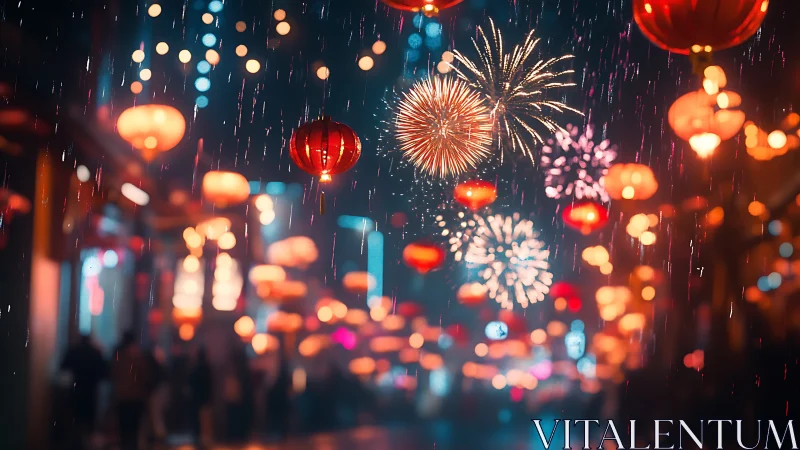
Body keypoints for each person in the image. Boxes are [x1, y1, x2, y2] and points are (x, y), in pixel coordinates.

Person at [60, 334, 108, 449]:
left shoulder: (75, 351)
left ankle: (77, 443)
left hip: (77, 389)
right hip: (91, 391)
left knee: (77, 418)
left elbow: (63, 367)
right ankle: (87, 444)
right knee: (89, 420)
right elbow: (105, 373)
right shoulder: (95, 353)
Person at [111, 331, 152, 450]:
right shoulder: (139, 356)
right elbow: (145, 376)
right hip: (136, 397)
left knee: (124, 428)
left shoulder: (119, 356)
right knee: (134, 429)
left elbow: (113, 374)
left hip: (122, 397)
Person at [188, 347, 213, 448]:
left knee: (198, 423)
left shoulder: (195, 369)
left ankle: (199, 441)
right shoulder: (207, 369)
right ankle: (204, 441)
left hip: (196, 401)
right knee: (205, 423)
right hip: (204, 401)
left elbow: (190, 384)